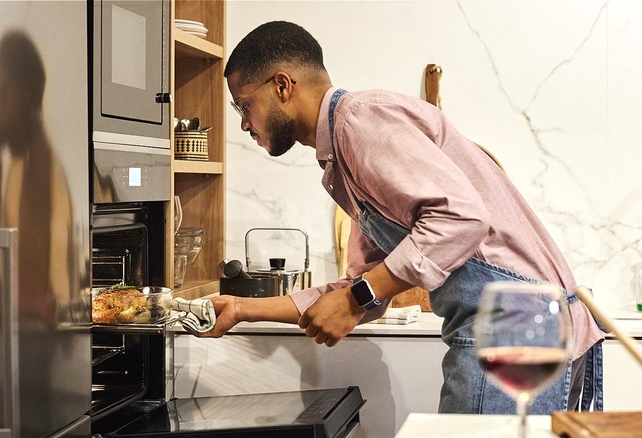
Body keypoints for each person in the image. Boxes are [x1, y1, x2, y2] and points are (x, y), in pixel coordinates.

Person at [198, 20, 606, 414]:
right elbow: (366, 289)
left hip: (516, 330)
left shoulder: (360, 121)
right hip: (518, 327)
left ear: (283, 86)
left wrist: (357, 298)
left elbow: (460, 220)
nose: (243, 122)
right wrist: (243, 308)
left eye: (244, 103)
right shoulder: (341, 156)